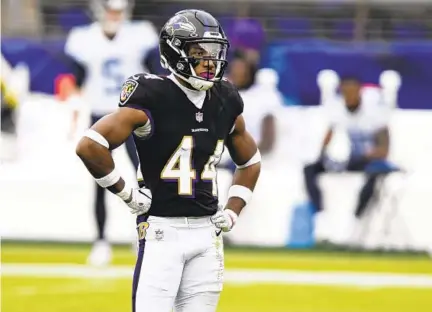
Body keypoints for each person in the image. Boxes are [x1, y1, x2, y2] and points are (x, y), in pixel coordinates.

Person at [75, 9, 261, 312]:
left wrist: (233, 211)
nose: (209, 61)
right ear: (175, 53)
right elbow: (90, 145)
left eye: (214, 53)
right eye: (199, 52)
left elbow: (250, 161)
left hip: (208, 233)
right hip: (162, 231)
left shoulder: (225, 98)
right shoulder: (154, 95)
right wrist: (126, 193)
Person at [63, 0, 159, 266]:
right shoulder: (84, 38)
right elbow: (76, 78)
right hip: (100, 115)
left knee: (144, 175)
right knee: (101, 180)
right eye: (110, 9)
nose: (114, 15)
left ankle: (143, 232)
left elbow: (155, 72)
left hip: (132, 115)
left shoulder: (140, 34)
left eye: (118, 10)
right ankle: (101, 240)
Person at [304, 76, 391, 219]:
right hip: (343, 160)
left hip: (365, 159)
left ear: (360, 91)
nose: (349, 96)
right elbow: (327, 141)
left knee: (375, 173)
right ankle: (320, 214)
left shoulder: (375, 115)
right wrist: (328, 155)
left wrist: (369, 154)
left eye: (352, 92)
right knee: (309, 169)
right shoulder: (337, 113)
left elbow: (384, 149)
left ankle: (357, 217)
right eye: (345, 92)